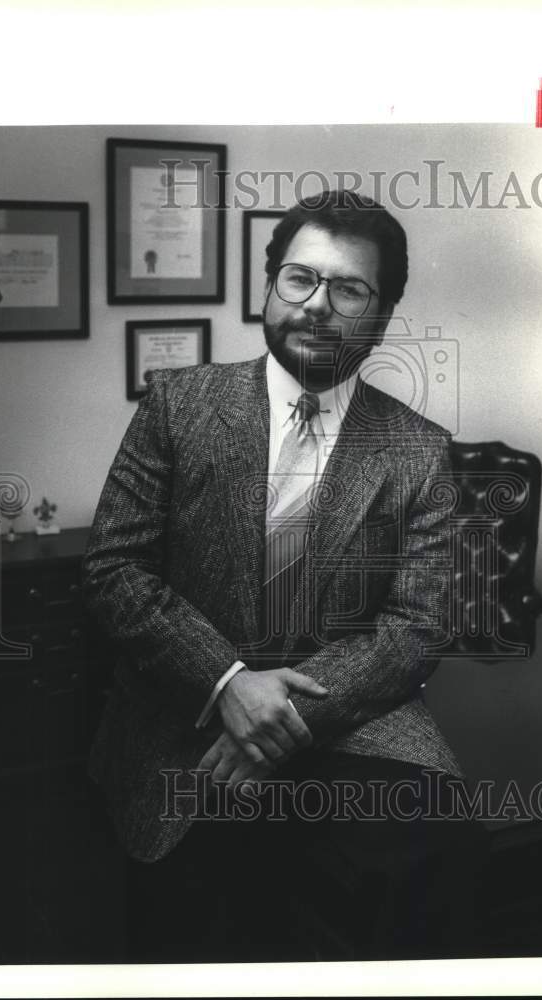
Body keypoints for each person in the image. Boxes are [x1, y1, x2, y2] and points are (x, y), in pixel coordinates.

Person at [82, 189, 487, 963]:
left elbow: (415, 630)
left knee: (438, 861)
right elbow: (113, 569)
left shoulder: (419, 450)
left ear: (383, 310)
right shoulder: (177, 406)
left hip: (351, 709)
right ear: (267, 289)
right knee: (209, 903)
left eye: (348, 288)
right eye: (299, 279)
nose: (317, 306)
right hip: (185, 711)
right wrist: (228, 681)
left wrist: (280, 719)